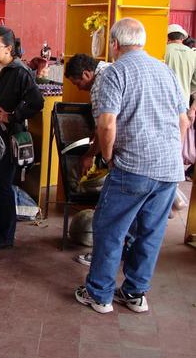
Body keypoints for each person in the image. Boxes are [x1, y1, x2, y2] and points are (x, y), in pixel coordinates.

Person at [75, 18, 189, 314]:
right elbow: (183, 121)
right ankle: (135, 294)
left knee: (111, 229)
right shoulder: (165, 71)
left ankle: (99, 294)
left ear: (114, 44)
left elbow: (107, 124)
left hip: (133, 166)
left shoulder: (115, 73)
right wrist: (170, 155)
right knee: (149, 234)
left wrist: (109, 156)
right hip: (168, 169)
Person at [0, 27, 44, 250]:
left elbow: (37, 102)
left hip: (8, 138)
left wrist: (12, 116)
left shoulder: (20, 72)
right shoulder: (1, 69)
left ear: (9, 48)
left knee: (3, 186)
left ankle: (5, 235)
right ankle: (3, 232)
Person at [64, 53, 112, 266]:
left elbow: (107, 127)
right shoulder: (112, 70)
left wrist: (90, 155)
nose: (79, 88)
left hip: (124, 158)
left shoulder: (102, 83)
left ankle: (100, 257)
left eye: (79, 82)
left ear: (87, 73)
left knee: (109, 208)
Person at [165, 24, 196, 112]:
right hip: (184, 103)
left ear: (167, 37)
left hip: (164, 103)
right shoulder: (193, 54)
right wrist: (187, 90)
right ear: (182, 38)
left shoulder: (163, 51)